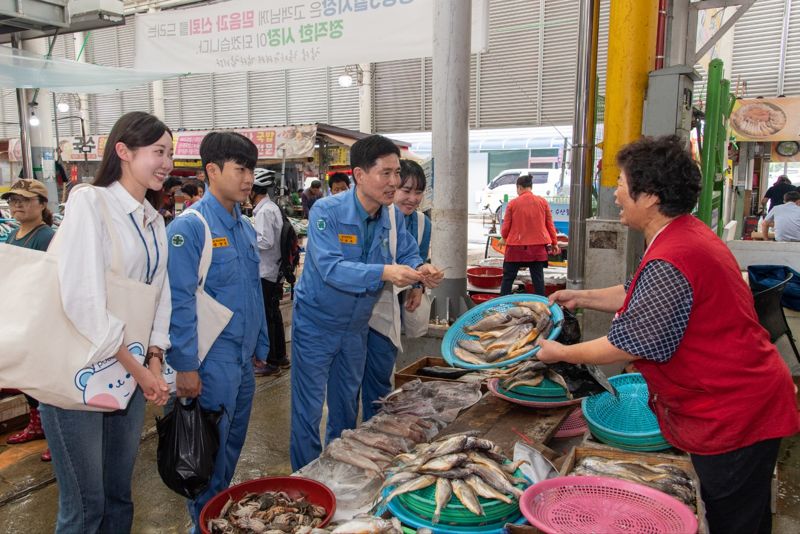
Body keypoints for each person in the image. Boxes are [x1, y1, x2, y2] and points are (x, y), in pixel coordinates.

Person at [537, 135, 799, 534]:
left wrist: (560, 353)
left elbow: (630, 342)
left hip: (732, 413)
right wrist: (583, 296)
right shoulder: (681, 235)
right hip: (734, 400)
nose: (616, 194)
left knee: (737, 522)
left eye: (622, 184)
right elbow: (636, 292)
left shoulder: (674, 253)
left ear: (651, 196)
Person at [39, 111, 172, 533]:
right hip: (81, 372)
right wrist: (139, 369)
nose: (167, 163)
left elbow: (160, 296)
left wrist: (153, 359)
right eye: (158, 152)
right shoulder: (90, 203)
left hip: (131, 374)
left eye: (170, 153)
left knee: (119, 496)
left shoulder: (155, 221)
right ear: (123, 152)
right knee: (84, 505)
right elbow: (81, 296)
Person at [289, 135, 443, 470]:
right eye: (385, 173)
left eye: (396, 173)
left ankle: (340, 473)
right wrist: (385, 272)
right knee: (309, 410)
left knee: (345, 407)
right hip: (317, 325)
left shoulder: (392, 216)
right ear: (359, 175)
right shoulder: (326, 211)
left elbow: (407, 253)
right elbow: (331, 268)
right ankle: (304, 479)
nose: (394, 182)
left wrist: (421, 269)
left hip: (356, 328)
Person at [166, 132, 269, 530]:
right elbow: (179, 301)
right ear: (212, 170)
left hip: (242, 362)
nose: (248, 179)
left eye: (251, 170)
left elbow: (254, 292)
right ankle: (202, 524)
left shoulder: (243, 227)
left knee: (230, 448)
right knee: (205, 455)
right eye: (240, 169)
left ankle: (213, 517)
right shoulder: (190, 228)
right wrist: (185, 366)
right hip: (210, 363)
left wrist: (260, 342)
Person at [361, 159, 432, 421]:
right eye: (406, 190)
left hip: (391, 303)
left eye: (418, 192)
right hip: (362, 303)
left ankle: (377, 422)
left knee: (381, 368)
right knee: (354, 375)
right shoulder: (374, 216)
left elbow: (418, 257)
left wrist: (418, 285)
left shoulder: (423, 224)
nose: (412, 198)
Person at [1, 179, 56, 462]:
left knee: (43, 379)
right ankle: (37, 424)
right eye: (13, 200)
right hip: (20, 316)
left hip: (40, 319)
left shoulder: (46, 236)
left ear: (42, 204)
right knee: (26, 378)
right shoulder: (13, 235)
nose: (17, 205)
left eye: (24, 200)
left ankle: (55, 433)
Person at [251, 168, 291, 377]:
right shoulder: (270, 207)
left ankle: (271, 360)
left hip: (266, 270)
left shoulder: (265, 211)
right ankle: (280, 357)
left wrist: (246, 242)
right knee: (273, 315)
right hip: (272, 269)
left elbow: (265, 241)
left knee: (268, 317)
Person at [499, 174, 560, 295]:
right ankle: (542, 307)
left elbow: (506, 227)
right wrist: (554, 243)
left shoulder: (512, 204)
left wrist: (504, 237)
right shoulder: (542, 202)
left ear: (519, 187)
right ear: (530, 187)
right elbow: (550, 225)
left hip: (515, 248)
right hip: (537, 249)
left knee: (508, 279)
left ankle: (503, 305)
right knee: (538, 280)